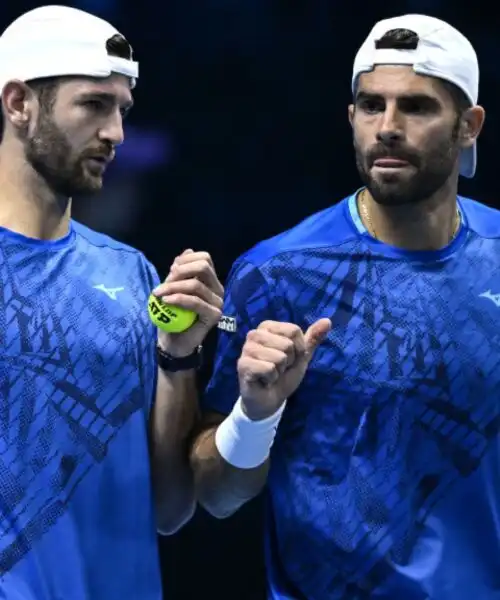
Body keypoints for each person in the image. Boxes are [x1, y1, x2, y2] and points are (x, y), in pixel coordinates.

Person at [190, 14, 499, 600]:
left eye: (416, 107)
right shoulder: (277, 273)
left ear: (469, 125)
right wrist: (255, 415)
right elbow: (214, 494)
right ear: (350, 117)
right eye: (370, 105)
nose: (387, 127)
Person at [0, 6, 223, 600]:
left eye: (122, 109)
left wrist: (179, 360)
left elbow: (169, 508)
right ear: (20, 103)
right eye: (94, 105)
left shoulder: (132, 275)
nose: (116, 133)